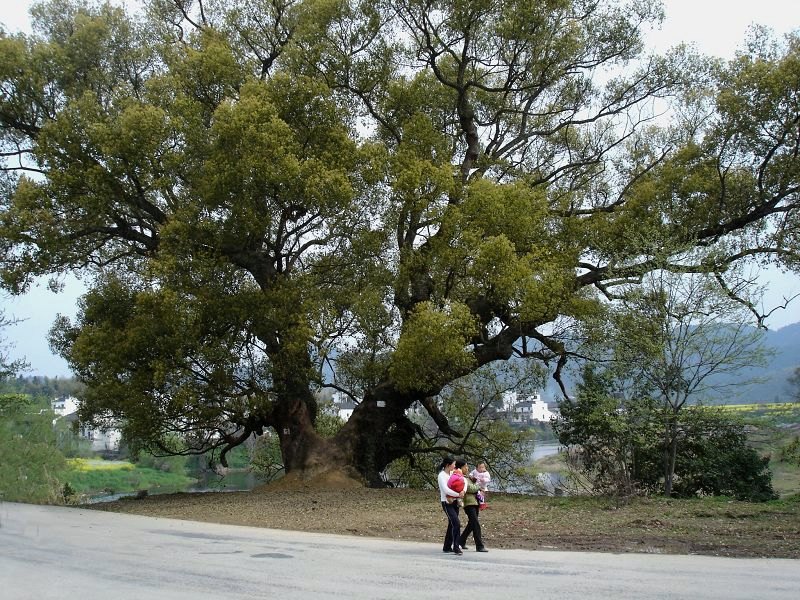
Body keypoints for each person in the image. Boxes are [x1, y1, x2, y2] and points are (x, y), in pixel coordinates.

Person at [459, 461, 488, 553]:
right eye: (465, 467)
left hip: (475, 502)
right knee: (475, 523)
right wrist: (478, 487)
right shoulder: (461, 478)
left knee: (472, 524)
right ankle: (479, 546)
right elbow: (469, 488)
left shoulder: (469, 477)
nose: (467, 468)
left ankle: (461, 540)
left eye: (467, 467)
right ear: (460, 468)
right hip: (468, 503)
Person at [438, 456, 465, 555]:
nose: (455, 466)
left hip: (455, 502)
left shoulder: (453, 473)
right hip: (447, 502)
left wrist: (463, 491)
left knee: (452, 524)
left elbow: (463, 481)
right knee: (456, 523)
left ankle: (447, 546)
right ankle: (456, 546)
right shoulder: (441, 475)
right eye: (453, 464)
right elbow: (446, 490)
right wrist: (458, 494)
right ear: (448, 465)